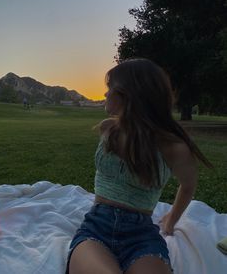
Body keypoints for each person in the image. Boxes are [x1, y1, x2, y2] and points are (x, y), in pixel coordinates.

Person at [66, 58, 212, 274]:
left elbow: (188, 185)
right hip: (96, 227)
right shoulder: (108, 130)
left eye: (110, 88)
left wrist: (172, 219)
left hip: (142, 235)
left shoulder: (173, 146)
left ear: (129, 94)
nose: (105, 94)